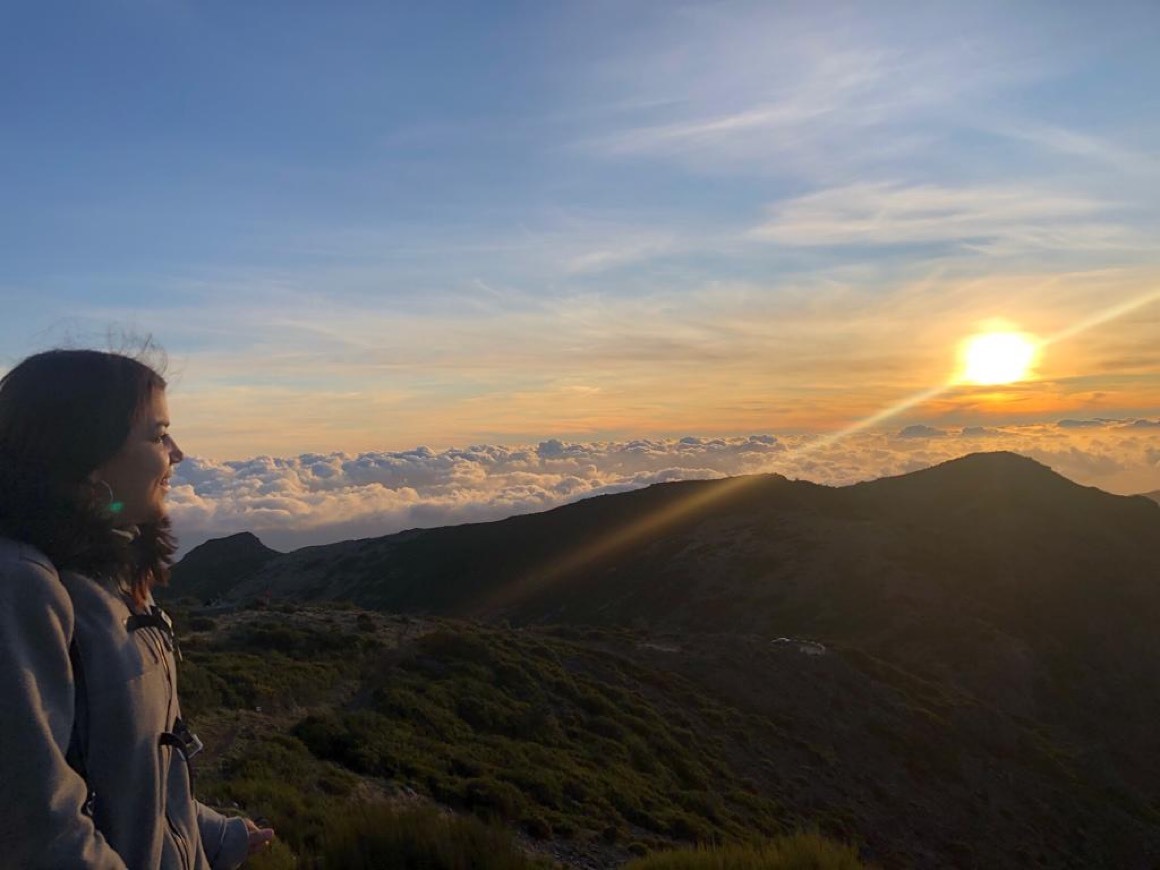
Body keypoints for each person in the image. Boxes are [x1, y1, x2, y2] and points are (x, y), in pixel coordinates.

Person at [0, 348, 275, 868]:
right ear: (87, 450)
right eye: (158, 433)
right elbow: (34, 831)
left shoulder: (109, 576)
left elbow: (127, 771)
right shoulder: (22, 588)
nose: (178, 453)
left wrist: (211, 836)